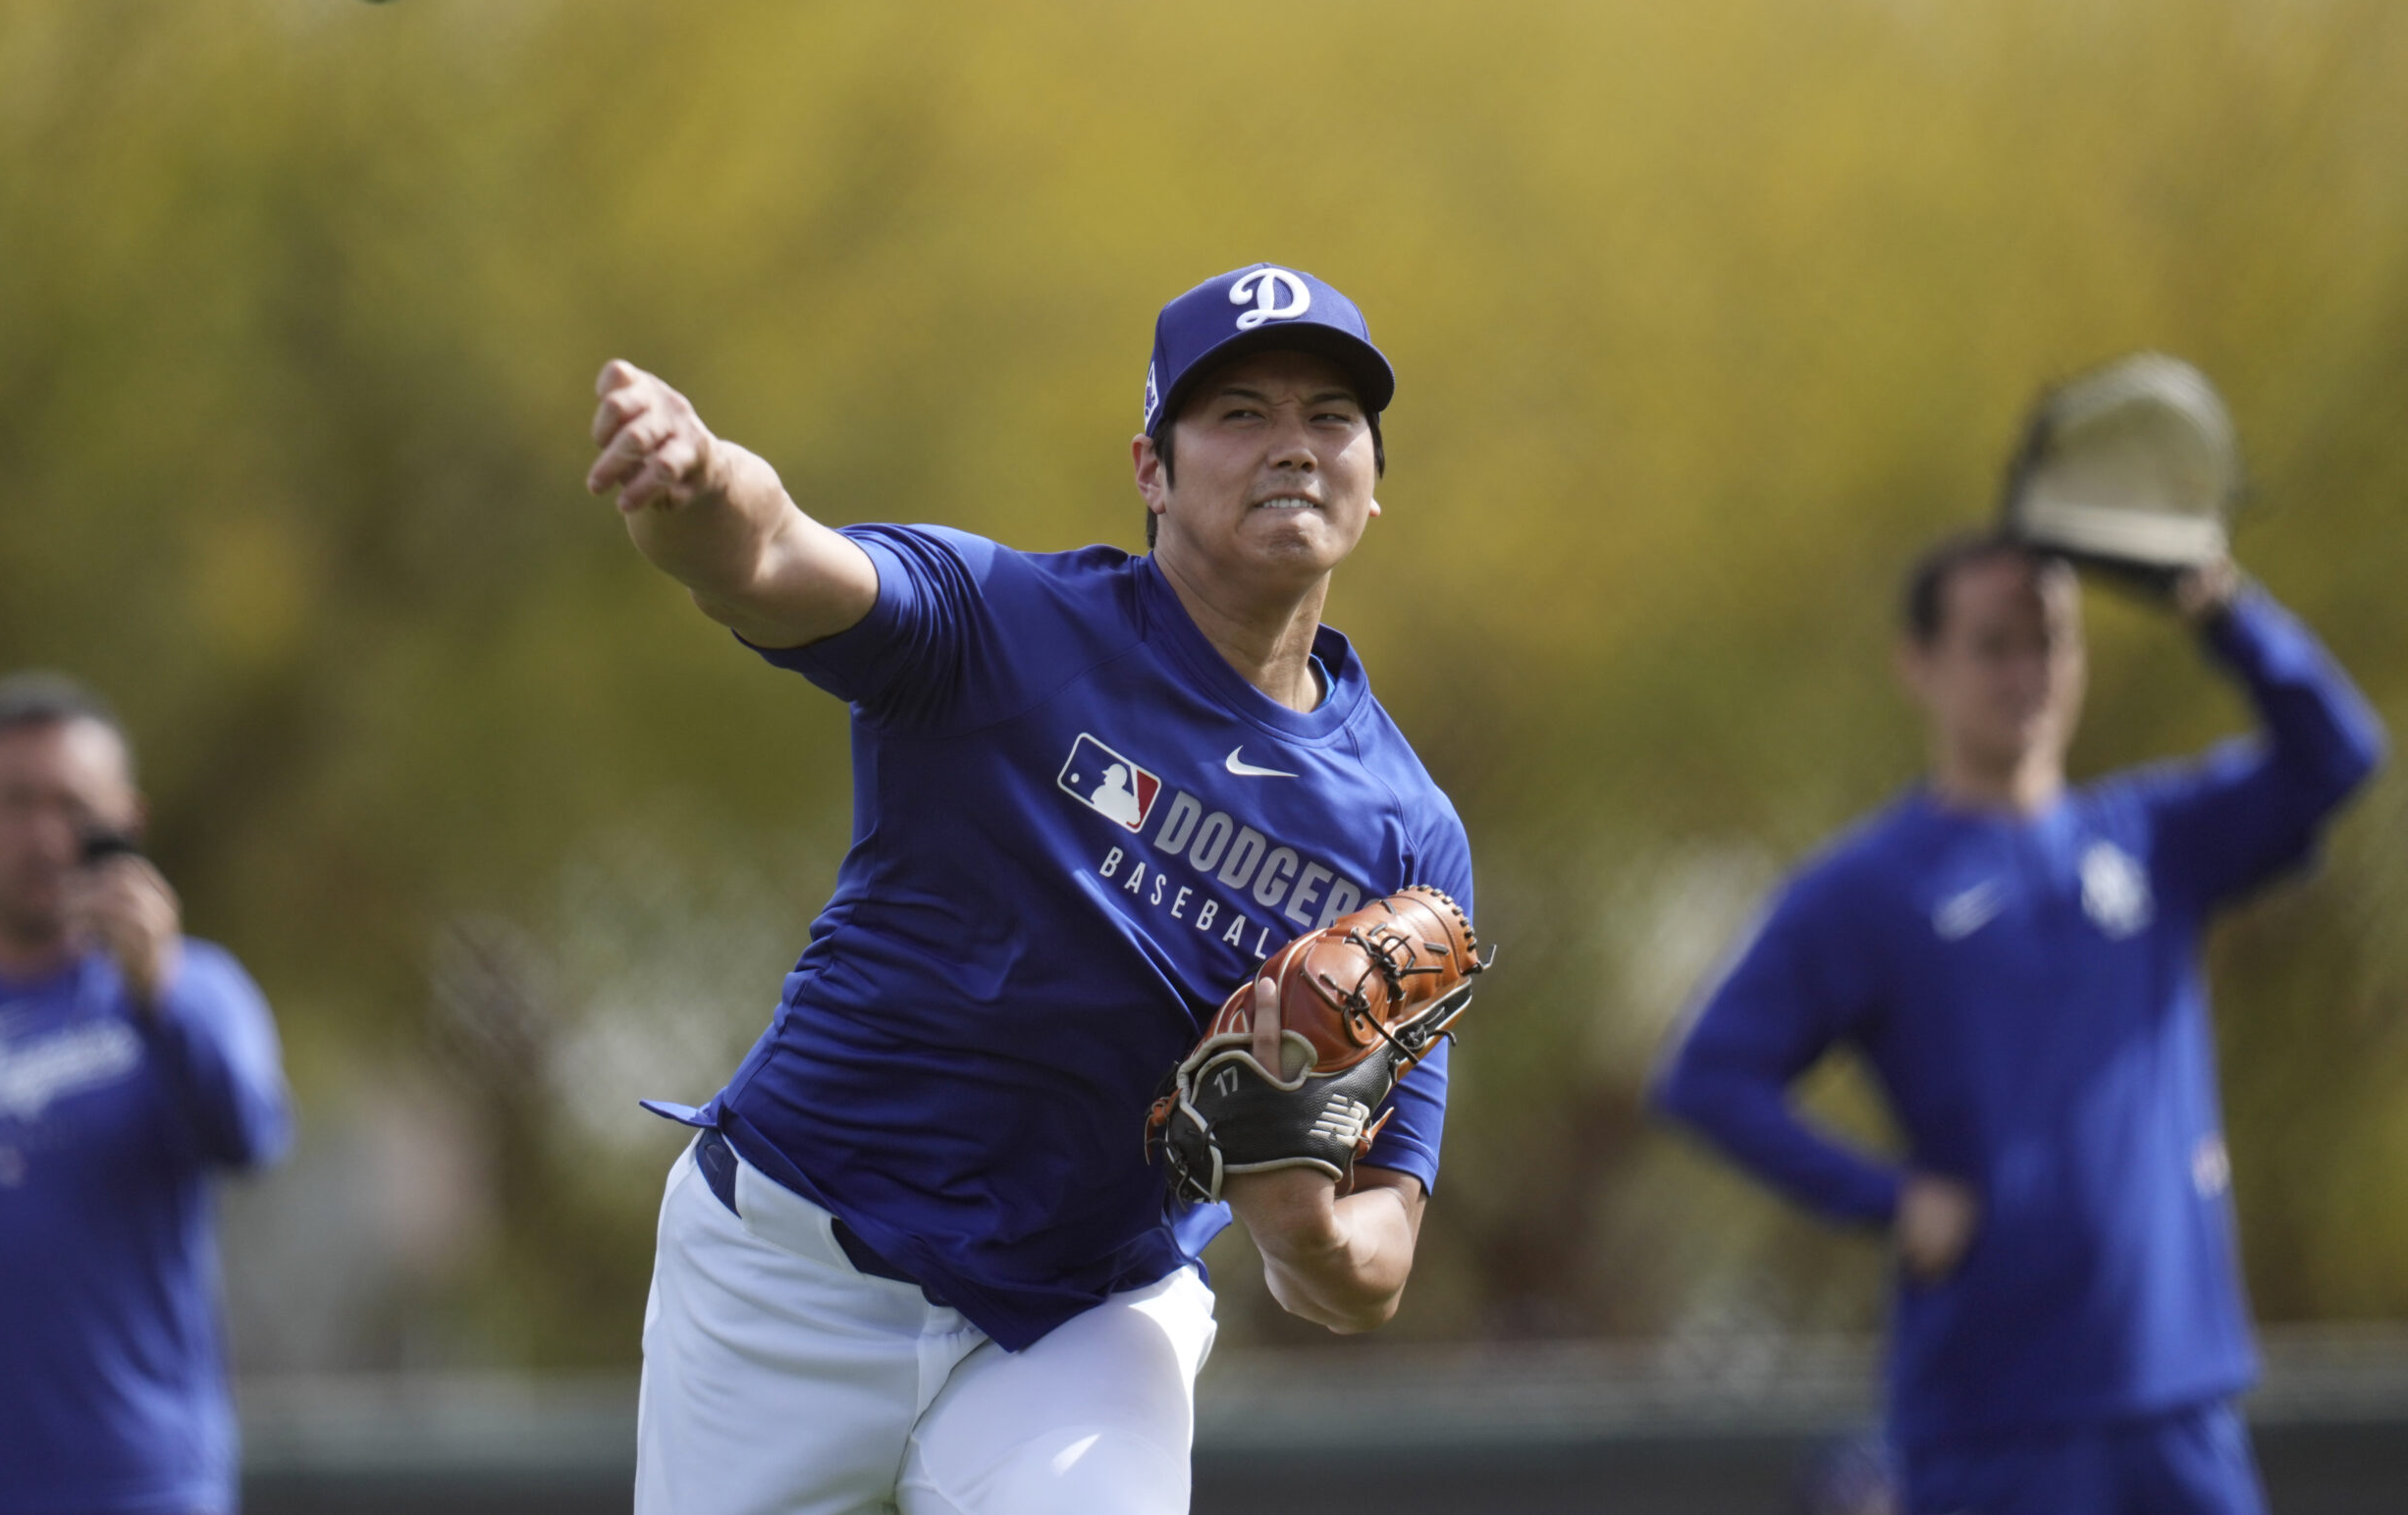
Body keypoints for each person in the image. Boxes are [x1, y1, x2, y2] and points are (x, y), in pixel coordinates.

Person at [587, 263, 1472, 1515]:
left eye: (1332, 417)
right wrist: (691, 479)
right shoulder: (1004, 628)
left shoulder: (1403, 834)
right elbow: (771, 556)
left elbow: (1374, 1257)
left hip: (1081, 1315)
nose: (1294, 447)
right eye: (1239, 414)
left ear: (1376, 480)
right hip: (792, 1271)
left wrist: (1297, 1229)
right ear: (1150, 470)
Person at [1652, 535, 2386, 1515]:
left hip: (2179, 1395)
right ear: (1919, 664)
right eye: (1992, 645)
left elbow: (2337, 755)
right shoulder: (1873, 888)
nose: (2026, 673)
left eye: (2049, 642)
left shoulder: (2151, 839)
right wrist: (1888, 1199)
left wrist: (2217, 607)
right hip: (1997, 1416)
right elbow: (1706, 1078)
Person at [0, 674, 294, 1514]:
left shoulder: (194, 991)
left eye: (73, 805)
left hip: (136, 1483)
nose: (45, 836)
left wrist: (159, 992)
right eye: (14, 802)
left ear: (127, 822)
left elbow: (250, 1134)